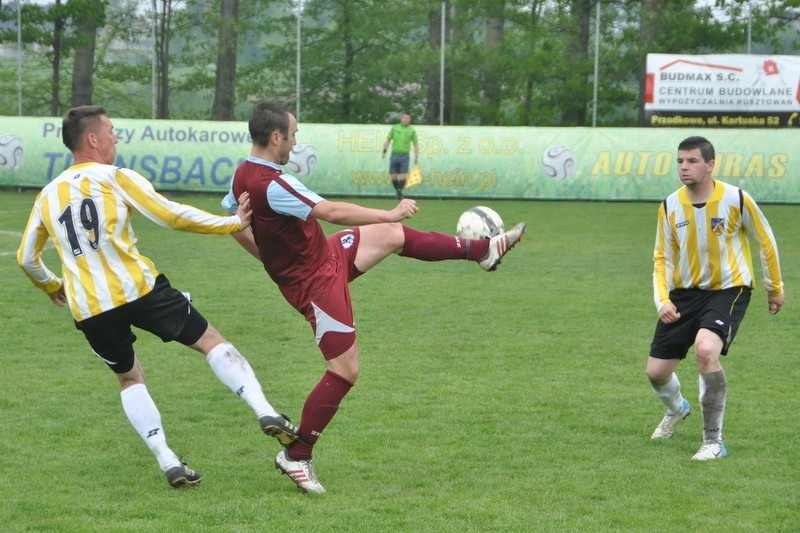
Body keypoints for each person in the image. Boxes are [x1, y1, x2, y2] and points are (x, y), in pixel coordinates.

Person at [222, 100, 526, 493]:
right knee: (345, 368)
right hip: (315, 281)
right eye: (293, 134)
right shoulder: (274, 183)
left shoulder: (242, 175)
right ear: (275, 136)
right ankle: (297, 456)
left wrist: (268, 256)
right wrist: (389, 211)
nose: (296, 142)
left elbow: (231, 221)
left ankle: (483, 250)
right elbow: (330, 211)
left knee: (394, 238)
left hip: (323, 257)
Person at [17, 105, 299, 488]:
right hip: (139, 288)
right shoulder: (114, 177)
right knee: (210, 341)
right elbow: (170, 215)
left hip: (90, 308)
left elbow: (27, 259)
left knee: (130, 379)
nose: (116, 137)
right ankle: (265, 411)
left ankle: (168, 460)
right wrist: (231, 223)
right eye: (112, 131)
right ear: (93, 139)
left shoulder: (47, 195)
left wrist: (52, 285)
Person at [646, 136, 784, 460]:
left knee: (707, 350)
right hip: (684, 293)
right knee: (656, 372)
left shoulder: (736, 199)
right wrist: (662, 300)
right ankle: (678, 408)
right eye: (680, 161)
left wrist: (774, 287)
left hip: (729, 289)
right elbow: (661, 259)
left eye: (692, 161)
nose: (684, 167)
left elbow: (766, 240)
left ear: (709, 165)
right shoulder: (669, 205)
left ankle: (713, 441)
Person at [381, 112, 419, 199]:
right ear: (401, 118)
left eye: (408, 118)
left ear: (410, 120)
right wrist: (384, 151)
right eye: (404, 118)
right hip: (395, 154)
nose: (406, 120)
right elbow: (388, 140)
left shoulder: (411, 130)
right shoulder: (395, 128)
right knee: (393, 177)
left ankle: (399, 192)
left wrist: (416, 156)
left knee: (403, 176)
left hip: (405, 155)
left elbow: (415, 144)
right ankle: (399, 191)